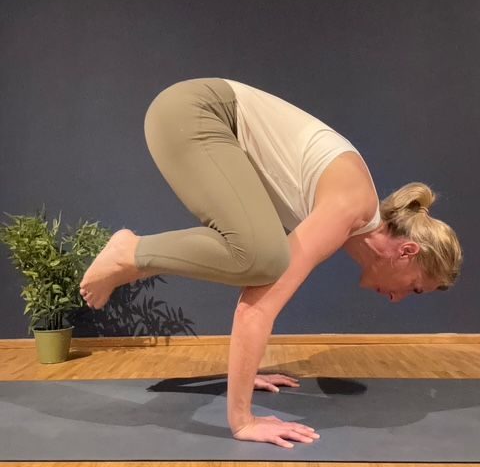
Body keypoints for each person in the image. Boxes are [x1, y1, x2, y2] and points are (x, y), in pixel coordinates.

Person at [79, 78, 463, 448]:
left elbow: (258, 290)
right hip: (193, 113)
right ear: (407, 252)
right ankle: (131, 252)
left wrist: (244, 375)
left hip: (192, 116)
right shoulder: (350, 206)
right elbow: (257, 307)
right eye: (415, 288)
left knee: (261, 254)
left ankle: (134, 255)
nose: (398, 299)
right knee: (264, 257)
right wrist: (243, 419)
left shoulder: (348, 212)